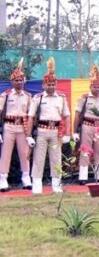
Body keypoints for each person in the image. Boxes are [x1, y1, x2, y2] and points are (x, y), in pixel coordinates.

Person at [28, 58, 71, 194]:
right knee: (38, 159)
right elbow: (30, 117)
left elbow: (67, 116)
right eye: (49, 84)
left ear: (56, 84)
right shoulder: (38, 98)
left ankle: (56, 186)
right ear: (43, 85)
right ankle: (37, 186)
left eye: (53, 84)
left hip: (56, 132)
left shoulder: (62, 98)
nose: (51, 87)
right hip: (41, 130)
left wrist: (68, 134)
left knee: (56, 159)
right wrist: (28, 136)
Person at [73, 64, 99, 184]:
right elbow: (77, 115)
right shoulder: (84, 98)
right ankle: (83, 177)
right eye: (95, 87)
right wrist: (74, 132)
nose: (97, 89)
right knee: (85, 151)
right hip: (87, 125)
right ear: (90, 86)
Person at [0, 59, 34, 192]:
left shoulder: (28, 96)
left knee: (25, 154)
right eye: (16, 80)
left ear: (24, 81)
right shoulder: (6, 95)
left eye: (21, 80)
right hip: (9, 126)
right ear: (12, 82)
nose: (19, 83)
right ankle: (3, 179)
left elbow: (32, 116)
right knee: (5, 154)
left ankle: (26, 178)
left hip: (23, 127)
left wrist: (30, 133)